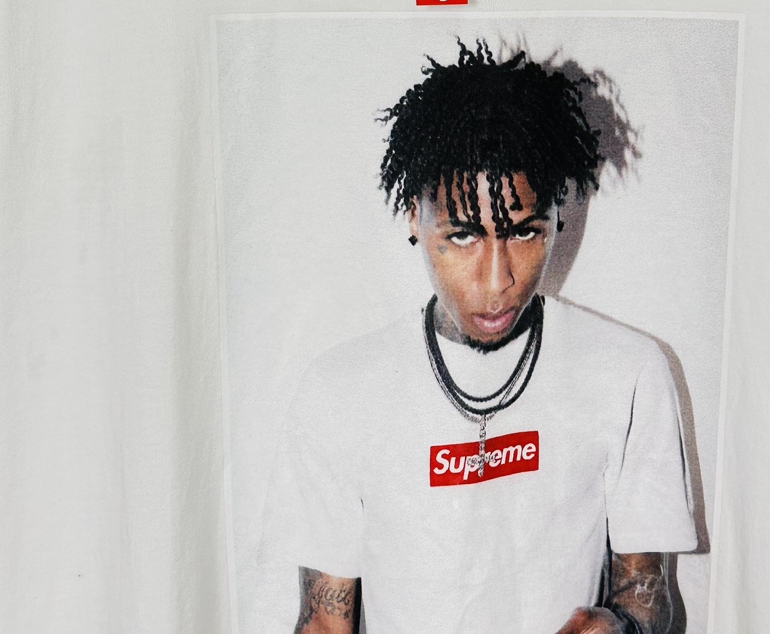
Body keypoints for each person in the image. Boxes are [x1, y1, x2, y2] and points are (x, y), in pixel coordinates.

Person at [255, 39, 698, 634]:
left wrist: (621, 627)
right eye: (462, 236)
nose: (498, 280)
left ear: (556, 217)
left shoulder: (629, 373)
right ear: (414, 217)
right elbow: (322, 624)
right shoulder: (339, 391)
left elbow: (648, 594)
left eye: (525, 232)